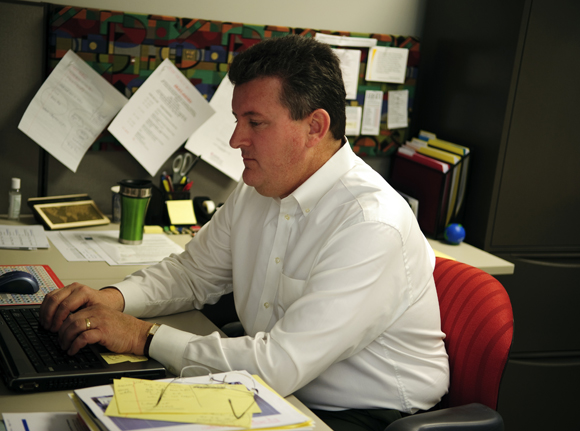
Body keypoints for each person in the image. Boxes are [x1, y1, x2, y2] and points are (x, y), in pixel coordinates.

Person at [40, 35, 449, 431]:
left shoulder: (369, 223)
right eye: (238, 121)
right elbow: (192, 274)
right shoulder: (259, 189)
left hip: (362, 412)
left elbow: (279, 365)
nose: (236, 140)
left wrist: (139, 336)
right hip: (274, 385)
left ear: (315, 126)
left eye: (256, 122)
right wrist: (112, 299)